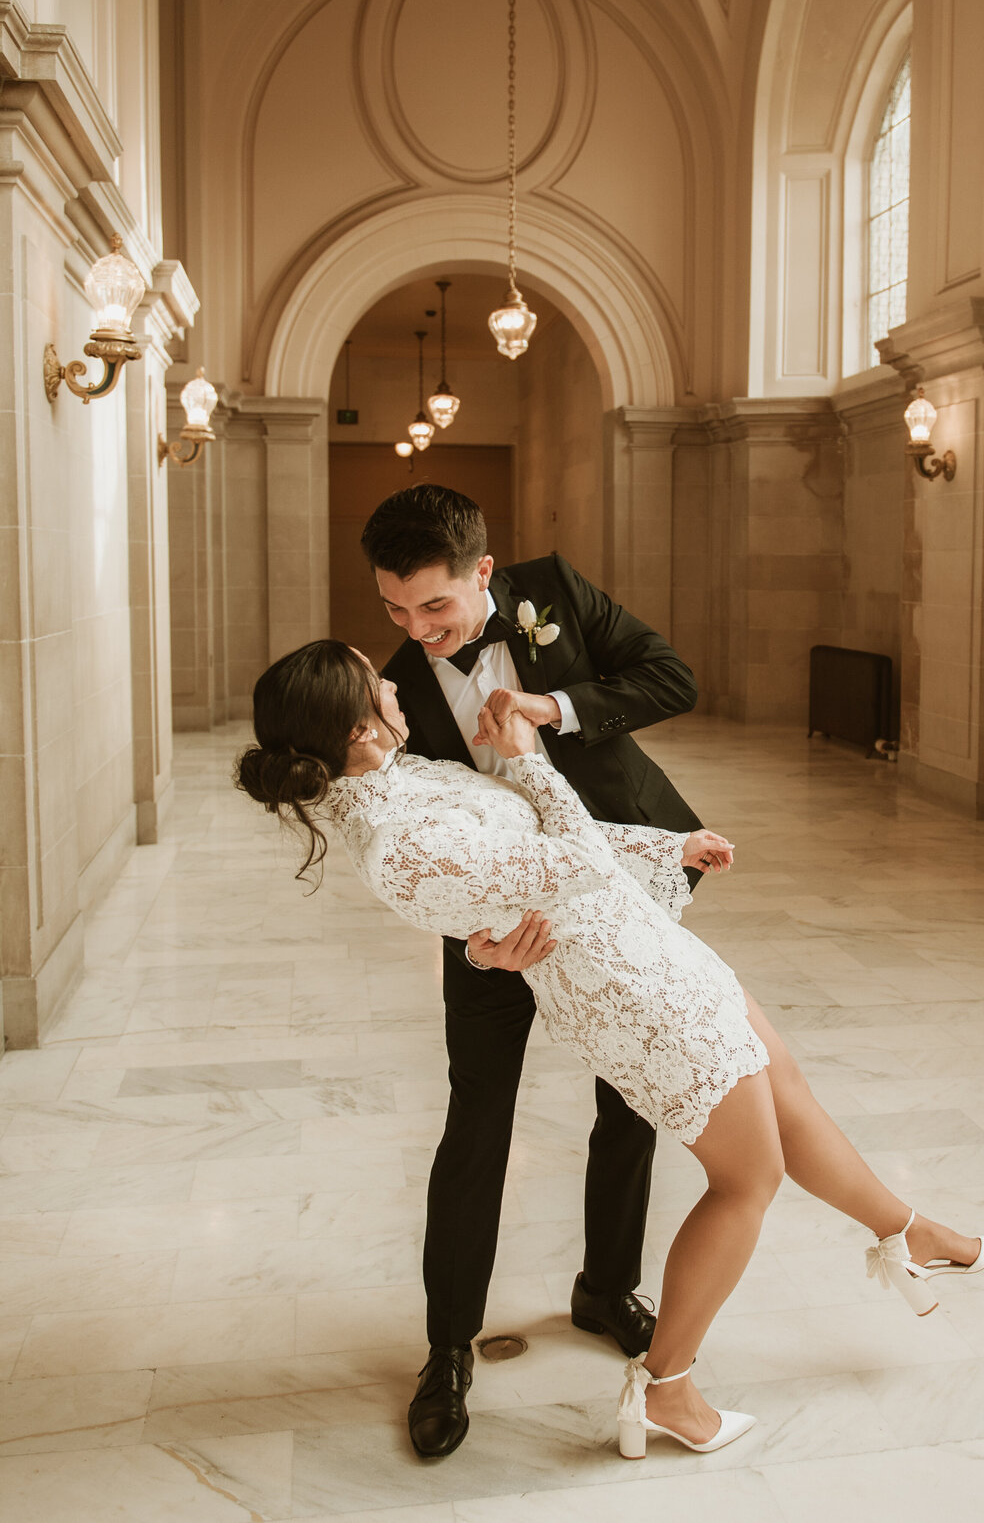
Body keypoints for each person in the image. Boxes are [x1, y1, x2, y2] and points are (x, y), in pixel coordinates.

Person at [236, 640, 984, 1462]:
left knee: (787, 1092)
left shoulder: (403, 780)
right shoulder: (397, 839)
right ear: (358, 727)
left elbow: (543, 847)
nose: (393, 684)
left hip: (647, 949)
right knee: (749, 1178)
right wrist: (530, 762)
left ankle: (911, 1234)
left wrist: (662, 847)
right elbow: (567, 860)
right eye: (375, 682)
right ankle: (668, 1389)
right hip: (633, 994)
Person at [360, 484, 705, 1457]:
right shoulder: (398, 681)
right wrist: (476, 938)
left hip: (623, 878)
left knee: (630, 1095)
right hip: (490, 920)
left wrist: (554, 705)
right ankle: (447, 1347)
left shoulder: (553, 594)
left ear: (484, 571)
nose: (418, 632)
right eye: (394, 608)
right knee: (477, 1116)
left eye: (435, 607)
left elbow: (672, 677)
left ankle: (606, 1287)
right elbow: (406, 828)